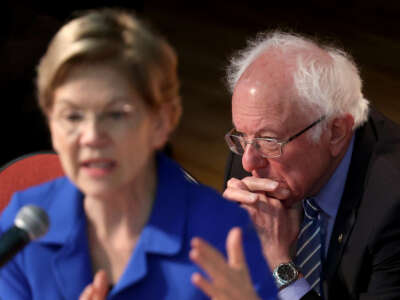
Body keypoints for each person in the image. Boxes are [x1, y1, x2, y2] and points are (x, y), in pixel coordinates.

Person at [0, 9, 277, 299]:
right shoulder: (22, 230)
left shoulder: (224, 233)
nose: (92, 136)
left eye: (117, 115)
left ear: (162, 122)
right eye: (72, 116)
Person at [192, 31, 400, 300]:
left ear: (335, 132)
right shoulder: (255, 146)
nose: (247, 161)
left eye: (269, 140)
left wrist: (279, 265)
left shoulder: (392, 206)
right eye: (242, 136)